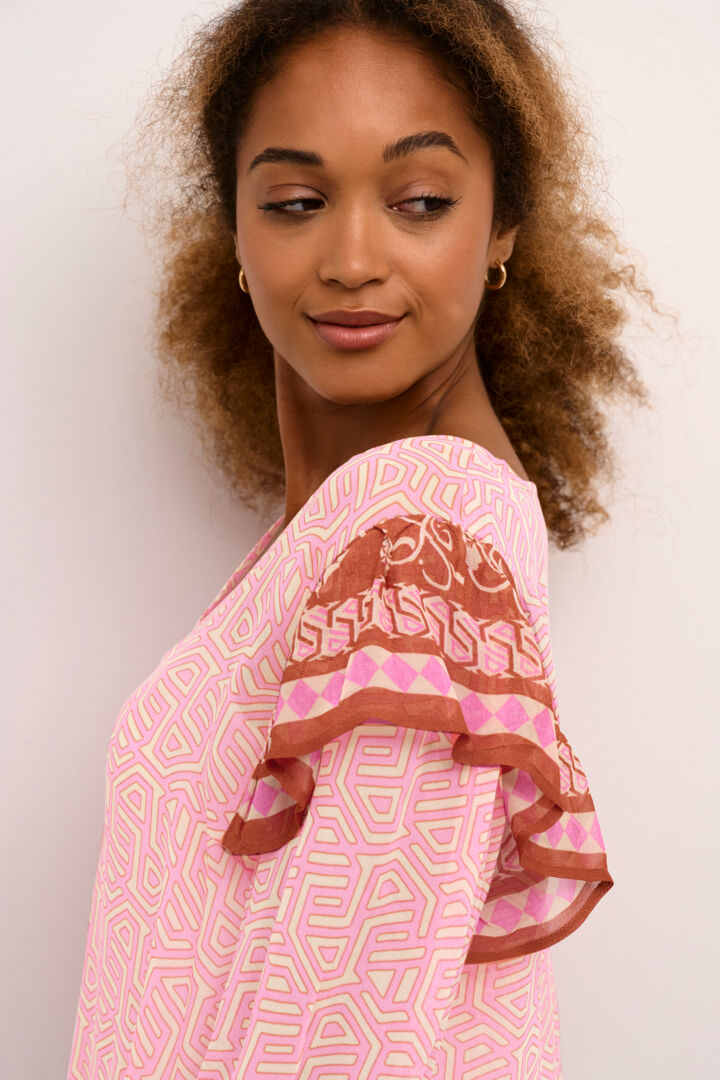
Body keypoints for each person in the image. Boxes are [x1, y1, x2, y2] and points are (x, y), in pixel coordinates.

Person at [68, 1, 653, 1076]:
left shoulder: (423, 536)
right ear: (235, 231)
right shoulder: (356, 529)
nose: (350, 257)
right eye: (296, 202)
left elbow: (347, 1039)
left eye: (420, 201)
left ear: (503, 227)